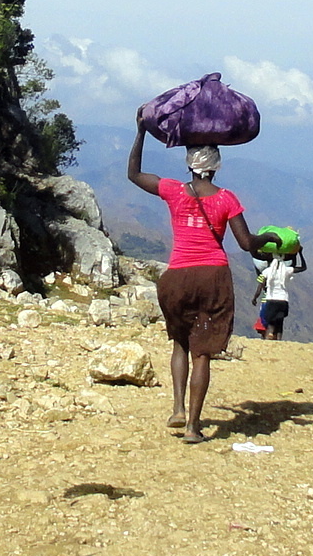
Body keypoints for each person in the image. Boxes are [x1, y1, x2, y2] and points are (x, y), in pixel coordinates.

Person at [127, 121, 259, 440]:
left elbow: (134, 174)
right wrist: (267, 238)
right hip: (213, 277)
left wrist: (141, 131)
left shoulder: (173, 190)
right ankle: (193, 427)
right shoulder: (226, 199)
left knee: (180, 344)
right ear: (216, 166)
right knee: (202, 353)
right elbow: (246, 243)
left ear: (190, 163)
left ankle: (177, 408)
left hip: (177, 278)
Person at [252, 243, 303, 340]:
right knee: (280, 324)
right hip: (283, 301)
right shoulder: (285, 271)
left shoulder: (267, 271)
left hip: (270, 300)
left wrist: (255, 298)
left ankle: (268, 336)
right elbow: (302, 267)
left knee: (269, 323)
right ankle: (279, 341)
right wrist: (299, 253)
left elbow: (260, 286)